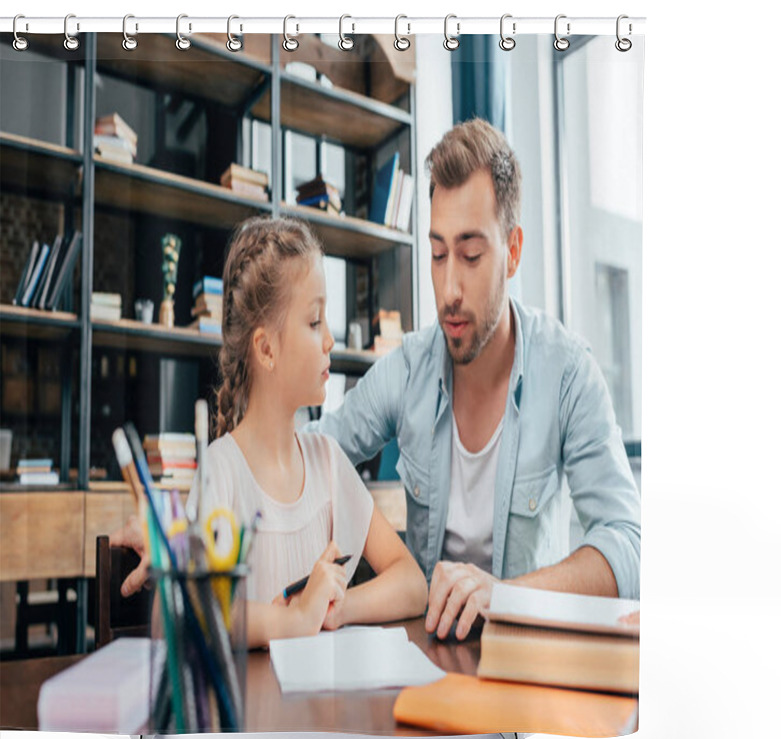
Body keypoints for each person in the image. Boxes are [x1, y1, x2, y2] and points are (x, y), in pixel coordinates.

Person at [309, 118, 641, 641]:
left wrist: (504, 596)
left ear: (512, 251)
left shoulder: (569, 373)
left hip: (528, 668)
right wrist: (187, 515)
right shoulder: (410, 367)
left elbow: (628, 544)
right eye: (438, 255)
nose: (448, 289)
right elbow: (309, 455)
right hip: (428, 662)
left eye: (469, 255)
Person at [112, 216, 428, 649]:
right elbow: (179, 617)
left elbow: (413, 583)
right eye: (315, 322)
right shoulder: (222, 469)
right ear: (266, 349)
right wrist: (295, 619)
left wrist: (338, 606)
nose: (330, 340)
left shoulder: (328, 460)